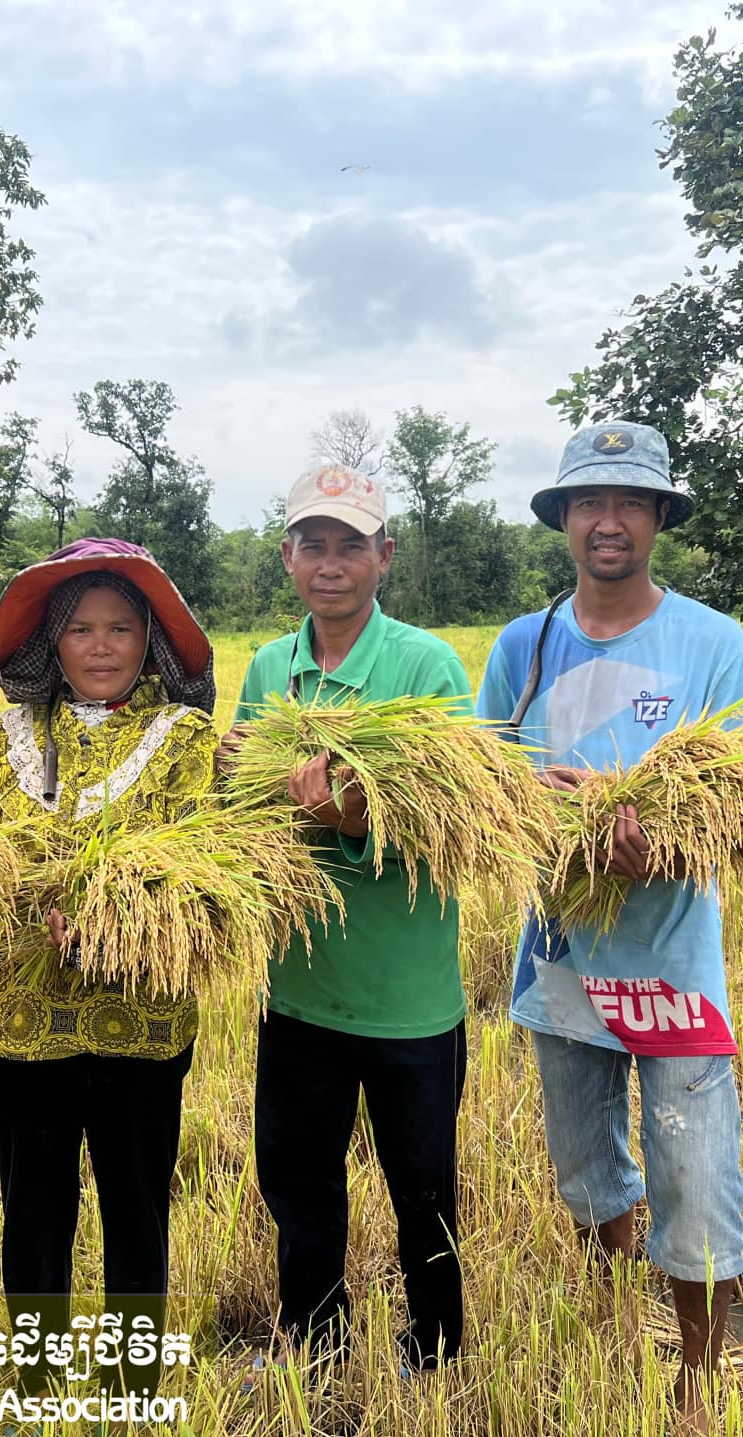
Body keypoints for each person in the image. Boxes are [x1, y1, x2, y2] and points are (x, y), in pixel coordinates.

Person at [477, 420, 743, 1437]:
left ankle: (698, 1377)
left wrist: (651, 829)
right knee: (585, 1169)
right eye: (589, 502)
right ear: (563, 519)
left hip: (673, 965)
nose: (609, 521)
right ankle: (609, 1312)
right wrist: (546, 805)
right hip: (560, 958)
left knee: (695, 1172)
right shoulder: (523, 646)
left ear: (656, 519)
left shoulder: (711, 643)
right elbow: (482, 790)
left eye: (630, 502)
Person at [0, 538, 218, 1437]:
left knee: (137, 1210)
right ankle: (35, 1383)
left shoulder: (185, 743)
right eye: (81, 629)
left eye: (121, 629)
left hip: (142, 1024)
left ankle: (130, 1390)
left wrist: (115, 924)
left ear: (149, 642)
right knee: (32, 1212)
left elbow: (203, 875)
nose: (101, 646)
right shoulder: (3, 741)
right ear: (50, 642)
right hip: (21, 1024)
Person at [226, 465, 472, 1376]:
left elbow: (455, 823)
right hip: (299, 988)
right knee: (297, 1183)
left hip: (408, 995)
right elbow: (245, 808)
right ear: (287, 557)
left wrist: (351, 819)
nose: (330, 564)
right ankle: (313, 1336)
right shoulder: (269, 669)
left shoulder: (425, 666)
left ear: (384, 556)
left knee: (423, 1190)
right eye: (313, 545)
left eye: (350, 546)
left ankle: (435, 1349)